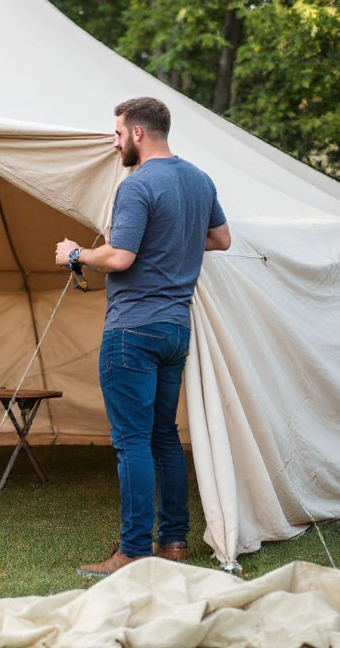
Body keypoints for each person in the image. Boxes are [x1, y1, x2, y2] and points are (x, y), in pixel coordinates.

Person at [54, 97, 230, 577]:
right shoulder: (199, 179)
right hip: (176, 328)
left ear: (137, 134)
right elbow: (221, 239)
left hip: (133, 331)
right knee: (164, 437)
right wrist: (175, 242)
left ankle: (133, 551)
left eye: (116, 134)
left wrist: (76, 254)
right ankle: (174, 541)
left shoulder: (138, 185)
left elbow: (120, 257)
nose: (114, 144)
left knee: (132, 441)